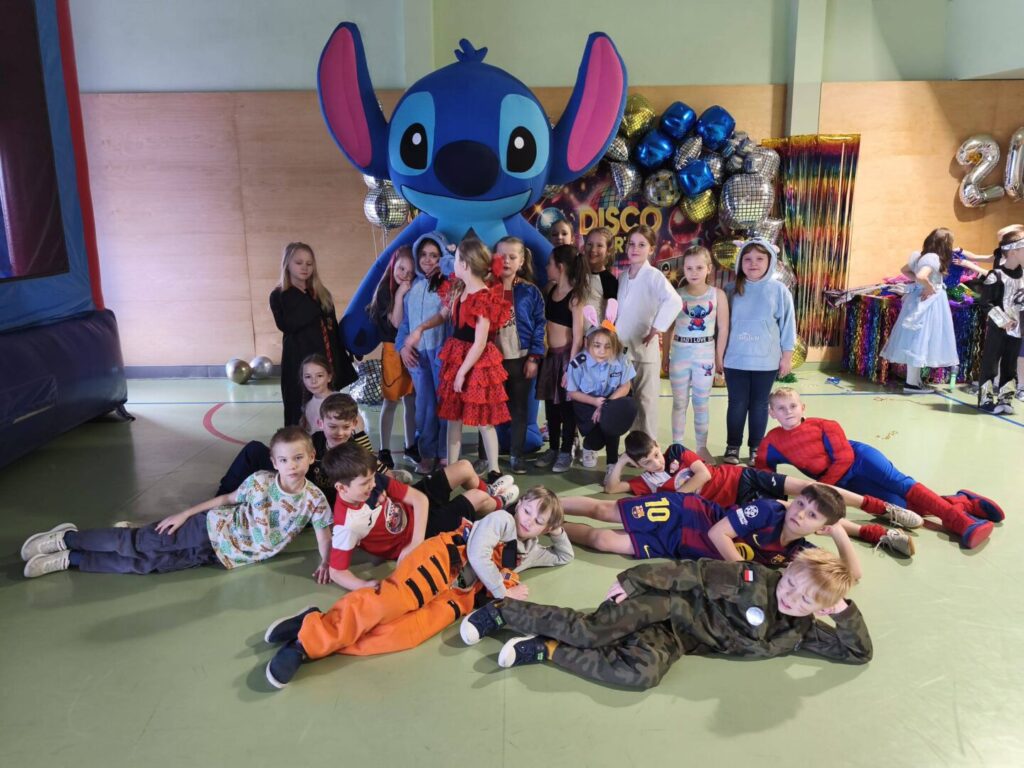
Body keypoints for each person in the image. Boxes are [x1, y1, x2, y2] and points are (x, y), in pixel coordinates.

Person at [261, 486, 572, 688]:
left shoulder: (530, 551)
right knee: (387, 604)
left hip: (457, 597)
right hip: (442, 561)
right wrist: (504, 593)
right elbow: (478, 554)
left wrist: (557, 529)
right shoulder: (502, 520)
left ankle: (313, 624)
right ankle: (305, 646)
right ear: (520, 505)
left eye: (539, 521)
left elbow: (564, 556)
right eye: (528, 511)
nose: (529, 521)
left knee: (403, 634)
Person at [461, 547, 870, 689]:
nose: (790, 596)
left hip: (677, 638)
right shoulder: (749, 579)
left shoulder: (800, 632)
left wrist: (842, 610)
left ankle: (546, 649)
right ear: (789, 569)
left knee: (640, 675)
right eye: (791, 582)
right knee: (592, 632)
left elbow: (857, 652)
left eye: (804, 599)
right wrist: (633, 580)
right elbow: (689, 572)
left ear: (820, 609)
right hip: (665, 604)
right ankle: (502, 611)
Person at [22, 427, 332, 578]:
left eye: (298, 458)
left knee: (147, 564)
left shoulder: (315, 500)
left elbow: (323, 535)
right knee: (137, 543)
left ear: (311, 457)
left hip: (223, 557)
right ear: (274, 462)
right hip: (208, 528)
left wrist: (327, 562)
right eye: (284, 460)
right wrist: (184, 515)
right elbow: (226, 498)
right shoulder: (261, 480)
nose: (292, 465)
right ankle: (67, 538)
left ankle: (73, 559)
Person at [757, 388, 1002, 549]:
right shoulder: (772, 442)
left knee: (902, 484)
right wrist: (776, 504)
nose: (788, 412)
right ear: (771, 413)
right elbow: (763, 473)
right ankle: (961, 501)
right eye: (781, 408)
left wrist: (820, 490)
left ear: (803, 407)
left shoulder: (824, 425)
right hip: (842, 483)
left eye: (792, 406)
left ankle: (960, 521)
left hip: (861, 459)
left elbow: (843, 458)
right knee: (899, 506)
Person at [603, 429, 922, 532]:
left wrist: (677, 496)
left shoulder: (674, 451)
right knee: (797, 513)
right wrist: (621, 461)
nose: (656, 462)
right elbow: (612, 488)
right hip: (736, 502)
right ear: (639, 465)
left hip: (740, 476)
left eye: (655, 454)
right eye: (647, 462)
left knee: (810, 489)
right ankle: (875, 533)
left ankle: (883, 508)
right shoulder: (647, 482)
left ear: (658, 446)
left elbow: (703, 474)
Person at [323, 442, 521, 592]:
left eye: (372, 478)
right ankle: (500, 502)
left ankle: (491, 491)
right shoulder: (348, 524)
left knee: (464, 467)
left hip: (415, 517)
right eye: (365, 483)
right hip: (420, 533)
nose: (373, 484)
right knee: (477, 497)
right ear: (342, 488)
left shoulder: (371, 479)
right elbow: (336, 571)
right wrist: (362, 585)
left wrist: (414, 542)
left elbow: (419, 499)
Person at [406, 238, 512, 481]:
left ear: (464, 264)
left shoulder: (484, 297)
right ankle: (452, 468)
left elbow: (480, 342)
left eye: (455, 260)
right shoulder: (457, 289)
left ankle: (494, 469)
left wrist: (462, 372)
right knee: (453, 416)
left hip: (477, 361)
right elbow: (443, 315)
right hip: (456, 355)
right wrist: (421, 328)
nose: (452, 264)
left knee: (483, 419)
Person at [722, 238, 796, 466]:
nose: (753, 263)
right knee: (736, 404)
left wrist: (786, 356)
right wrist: (718, 356)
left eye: (759, 259)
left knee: (759, 405)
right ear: (739, 263)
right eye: (747, 259)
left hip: (766, 362)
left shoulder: (779, 290)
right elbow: (721, 327)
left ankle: (757, 447)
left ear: (770, 261)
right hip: (735, 360)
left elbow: (788, 325)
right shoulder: (730, 290)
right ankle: (732, 446)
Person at [270, 242, 356, 426]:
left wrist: (347, 350)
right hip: (299, 363)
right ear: (287, 265)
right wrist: (308, 300)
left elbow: (332, 329)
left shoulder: (321, 294)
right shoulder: (280, 295)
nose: (305, 267)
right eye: (299, 263)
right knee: (299, 410)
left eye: (309, 264)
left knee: (329, 410)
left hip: (326, 361)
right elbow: (287, 325)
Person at [615, 225, 684, 441]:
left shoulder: (654, 275)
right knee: (629, 402)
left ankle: (649, 446)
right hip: (623, 349)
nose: (635, 249)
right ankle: (636, 447)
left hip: (644, 350)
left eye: (641, 245)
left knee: (646, 401)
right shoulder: (623, 277)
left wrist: (656, 327)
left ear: (651, 249)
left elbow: (675, 301)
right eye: (631, 244)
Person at [397, 231, 453, 474]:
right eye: (424, 255)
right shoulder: (413, 289)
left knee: (445, 405)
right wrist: (403, 347)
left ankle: (444, 453)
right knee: (425, 408)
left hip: (441, 354)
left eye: (434, 255)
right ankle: (428, 453)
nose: (428, 260)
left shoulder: (449, 286)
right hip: (418, 358)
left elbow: (448, 318)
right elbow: (404, 324)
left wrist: (448, 258)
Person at [880, 228, 960, 394]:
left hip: (920, 300)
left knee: (917, 338)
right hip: (929, 303)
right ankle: (912, 383)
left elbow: (905, 270)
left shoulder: (921, 256)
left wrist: (920, 284)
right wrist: (929, 287)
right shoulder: (933, 258)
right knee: (920, 338)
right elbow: (922, 276)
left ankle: (914, 381)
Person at [669, 244, 729, 464]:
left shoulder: (717, 295)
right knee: (679, 402)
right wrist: (665, 357)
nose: (693, 272)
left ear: (709, 269)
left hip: (705, 355)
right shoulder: (676, 295)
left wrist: (719, 357)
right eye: (689, 268)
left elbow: (723, 328)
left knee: (701, 403)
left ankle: (701, 447)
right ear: (683, 269)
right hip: (679, 354)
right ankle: (677, 447)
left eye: (699, 267)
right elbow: (668, 328)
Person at [492, 236, 545, 474]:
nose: (506, 261)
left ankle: (516, 455)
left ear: (521, 261)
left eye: (512, 257)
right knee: (489, 410)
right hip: (491, 361)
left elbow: (539, 325)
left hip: (520, 359)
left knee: (519, 409)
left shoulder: (530, 291)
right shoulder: (486, 288)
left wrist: (534, 357)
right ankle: (486, 456)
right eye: (501, 256)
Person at [533, 244, 589, 473]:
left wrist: (571, 368)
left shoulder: (575, 298)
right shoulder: (550, 291)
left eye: (550, 263)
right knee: (551, 407)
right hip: (550, 358)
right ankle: (553, 448)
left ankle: (566, 451)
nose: (547, 267)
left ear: (561, 267)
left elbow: (578, 337)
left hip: (567, 358)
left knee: (567, 407)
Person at [566, 305, 638, 478]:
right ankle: (588, 446)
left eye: (608, 346)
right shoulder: (578, 363)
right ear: (587, 344)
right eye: (597, 345)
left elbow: (625, 386)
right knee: (596, 440)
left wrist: (606, 405)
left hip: (611, 400)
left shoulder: (621, 360)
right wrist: (595, 403)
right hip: (587, 403)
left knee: (612, 424)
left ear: (614, 346)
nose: (602, 351)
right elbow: (572, 393)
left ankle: (612, 464)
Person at [367, 246, 418, 468]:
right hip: (392, 350)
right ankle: (384, 449)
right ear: (393, 265)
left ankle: (411, 445)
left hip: (412, 349)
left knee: (411, 400)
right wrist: (399, 296)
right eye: (401, 268)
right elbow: (396, 323)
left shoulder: (415, 288)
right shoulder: (384, 291)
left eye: (410, 272)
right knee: (391, 402)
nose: (404, 275)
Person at [976, 227, 1024, 414]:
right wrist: (1002, 320)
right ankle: (986, 400)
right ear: (1013, 252)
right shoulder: (995, 276)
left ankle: (1006, 398)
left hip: (1018, 329)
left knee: (1010, 365)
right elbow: (985, 304)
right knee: (990, 363)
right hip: (998, 329)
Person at [582, 226, 618, 327]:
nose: (593, 249)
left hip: (595, 333)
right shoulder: (577, 274)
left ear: (608, 251)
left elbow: (610, 317)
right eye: (589, 244)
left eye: (599, 245)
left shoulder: (609, 280)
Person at [297, 354, 336, 434]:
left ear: (329, 377)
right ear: (302, 379)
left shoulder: (342, 401)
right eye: (308, 377)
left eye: (319, 376)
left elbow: (359, 433)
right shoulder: (308, 406)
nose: (314, 381)